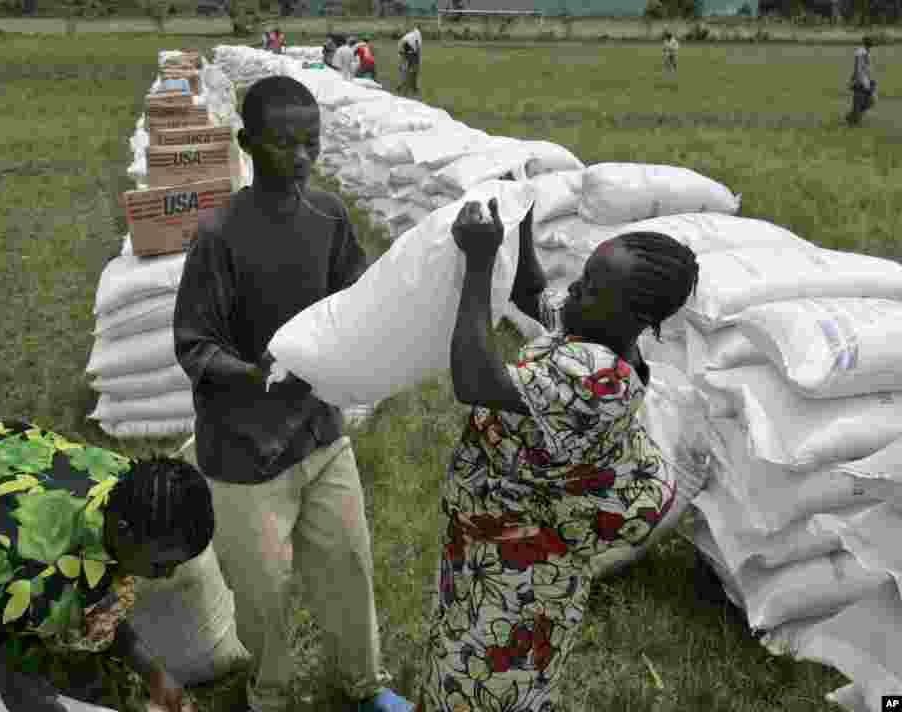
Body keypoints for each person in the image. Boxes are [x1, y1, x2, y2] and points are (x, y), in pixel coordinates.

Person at [172, 75, 414, 712]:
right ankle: (271, 693)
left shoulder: (330, 216)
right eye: (285, 144)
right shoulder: (219, 235)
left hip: (320, 433)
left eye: (312, 141)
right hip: (245, 453)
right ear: (247, 143)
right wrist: (255, 372)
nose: (303, 156)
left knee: (348, 566)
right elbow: (194, 345)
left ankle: (365, 685)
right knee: (264, 590)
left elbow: (355, 297)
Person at [414, 199, 700, 712]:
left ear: (634, 316)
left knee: (482, 687)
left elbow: (474, 379)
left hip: (518, 575)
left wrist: (479, 265)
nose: (573, 291)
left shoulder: (598, 379)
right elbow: (531, 293)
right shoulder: (589, 325)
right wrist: (524, 218)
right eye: (584, 276)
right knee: (461, 663)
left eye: (590, 287)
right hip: (492, 547)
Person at [0, 419, 215, 712]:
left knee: (65, 642)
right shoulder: (12, 555)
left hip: (13, 466)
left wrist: (154, 674)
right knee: (6, 656)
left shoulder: (134, 490)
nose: (166, 575)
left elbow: (95, 591)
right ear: (125, 531)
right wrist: (9, 684)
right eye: (160, 565)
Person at [846, 35, 877, 126]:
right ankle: (853, 119)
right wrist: (861, 80)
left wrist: (870, 79)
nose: (873, 43)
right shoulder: (861, 53)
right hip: (861, 80)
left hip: (865, 79)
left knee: (870, 101)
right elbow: (858, 68)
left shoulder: (866, 52)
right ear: (866, 43)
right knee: (861, 101)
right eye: (871, 41)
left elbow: (865, 67)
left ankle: (853, 116)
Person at [398, 26, 422, 95]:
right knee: (413, 71)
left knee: (404, 70)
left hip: (403, 49)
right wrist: (417, 58)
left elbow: (402, 46)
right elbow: (418, 47)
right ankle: (413, 87)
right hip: (408, 51)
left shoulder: (410, 35)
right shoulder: (418, 35)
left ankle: (402, 85)